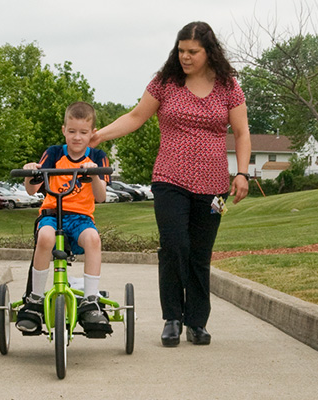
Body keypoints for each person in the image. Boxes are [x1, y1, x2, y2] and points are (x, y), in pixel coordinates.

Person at [91, 21, 251, 347]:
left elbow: (242, 133)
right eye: (181, 51)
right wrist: (99, 134)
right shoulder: (166, 83)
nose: (186, 57)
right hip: (170, 179)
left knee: (199, 253)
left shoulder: (228, 86)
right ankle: (172, 319)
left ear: (209, 52)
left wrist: (243, 173)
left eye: (193, 51)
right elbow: (136, 116)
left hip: (212, 186)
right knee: (175, 245)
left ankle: (197, 322)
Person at [15, 101, 114, 338]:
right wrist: (30, 173)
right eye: (72, 131)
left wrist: (95, 175)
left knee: (93, 239)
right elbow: (32, 189)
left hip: (81, 219)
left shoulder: (99, 157)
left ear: (92, 133)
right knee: (46, 236)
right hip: (52, 214)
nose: (77, 137)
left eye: (83, 132)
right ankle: (35, 300)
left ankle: (90, 301)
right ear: (64, 130)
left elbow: (100, 198)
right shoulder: (55, 153)